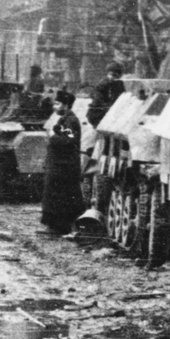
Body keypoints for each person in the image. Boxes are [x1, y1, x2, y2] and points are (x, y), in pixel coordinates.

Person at [41, 90, 85, 235]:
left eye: (58, 103)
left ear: (66, 105)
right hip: (60, 164)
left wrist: (53, 137)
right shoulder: (65, 119)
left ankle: (60, 227)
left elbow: (69, 140)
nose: (54, 106)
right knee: (56, 195)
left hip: (65, 166)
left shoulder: (71, 120)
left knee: (62, 196)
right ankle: (55, 226)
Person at [87, 62, 127, 129]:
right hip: (100, 114)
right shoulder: (103, 83)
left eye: (115, 75)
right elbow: (95, 95)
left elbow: (122, 96)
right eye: (111, 74)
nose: (112, 77)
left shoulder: (119, 83)